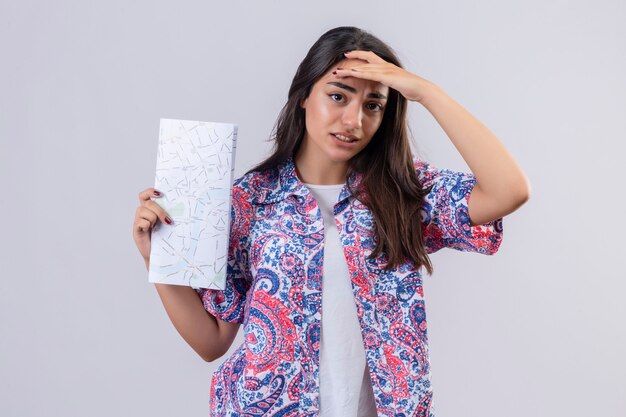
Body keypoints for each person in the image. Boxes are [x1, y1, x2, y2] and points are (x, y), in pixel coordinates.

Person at [132, 26, 530, 417]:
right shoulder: (248, 200)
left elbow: (508, 190)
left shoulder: (404, 193)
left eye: (373, 105)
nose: (354, 120)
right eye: (338, 96)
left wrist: (424, 91)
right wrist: (158, 261)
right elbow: (211, 342)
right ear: (304, 95)